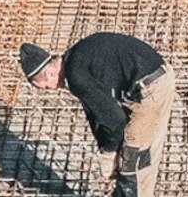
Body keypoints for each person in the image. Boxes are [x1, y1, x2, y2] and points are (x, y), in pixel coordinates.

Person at [20, 33, 175, 196]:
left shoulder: (76, 76)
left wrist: (109, 153)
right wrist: (105, 146)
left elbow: (115, 121)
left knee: (133, 160)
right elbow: (96, 114)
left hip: (150, 90)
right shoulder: (76, 60)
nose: (50, 91)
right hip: (159, 76)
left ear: (50, 73)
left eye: (44, 87)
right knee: (143, 155)